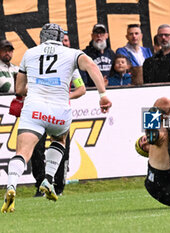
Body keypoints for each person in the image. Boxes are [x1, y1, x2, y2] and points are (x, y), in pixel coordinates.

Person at [1, 23, 112, 213]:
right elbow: (92, 67)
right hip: (59, 110)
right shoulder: (72, 53)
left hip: (34, 108)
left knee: (23, 153)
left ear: (42, 38)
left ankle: (11, 186)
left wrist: (36, 87)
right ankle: (48, 179)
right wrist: (103, 95)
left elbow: (19, 89)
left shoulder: (30, 53)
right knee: (60, 139)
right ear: (61, 38)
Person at [30, 31, 86, 197]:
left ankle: (58, 186)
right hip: (39, 111)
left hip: (60, 112)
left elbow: (81, 88)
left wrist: (64, 96)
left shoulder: (70, 63)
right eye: (62, 40)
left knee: (62, 148)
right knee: (37, 149)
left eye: (66, 40)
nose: (64, 43)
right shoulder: (37, 61)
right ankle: (41, 185)